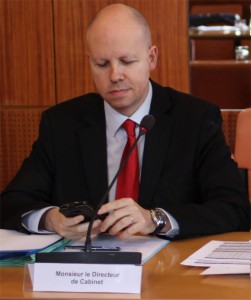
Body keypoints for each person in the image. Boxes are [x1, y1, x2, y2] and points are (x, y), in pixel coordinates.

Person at [0, 3, 250, 241]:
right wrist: (49, 219)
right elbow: (11, 203)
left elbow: (234, 209)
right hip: (87, 274)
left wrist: (156, 219)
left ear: (151, 58)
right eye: (102, 64)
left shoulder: (195, 119)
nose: (115, 75)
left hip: (169, 273)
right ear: (89, 62)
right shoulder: (61, 124)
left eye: (127, 62)